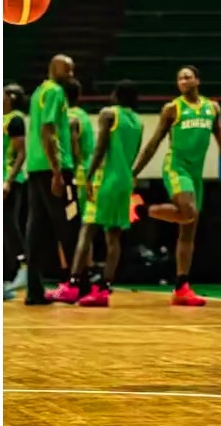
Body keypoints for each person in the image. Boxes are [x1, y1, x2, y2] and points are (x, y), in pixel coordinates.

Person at [132, 65, 221, 306]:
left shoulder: (211, 108)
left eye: (188, 77)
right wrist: (134, 172)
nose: (184, 81)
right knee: (188, 212)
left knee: (188, 231)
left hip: (196, 174)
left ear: (197, 80)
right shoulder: (172, 109)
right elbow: (154, 143)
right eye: (180, 78)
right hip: (176, 168)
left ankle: (181, 286)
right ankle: (146, 211)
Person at [53, 81, 143, 306]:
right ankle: (104, 289)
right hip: (125, 181)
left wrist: (90, 175)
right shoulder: (138, 122)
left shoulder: (108, 114)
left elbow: (100, 148)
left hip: (106, 179)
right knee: (113, 237)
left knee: (86, 230)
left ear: (116, 95)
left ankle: (72, 285)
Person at [26, 55, 80, 305]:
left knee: (37, 230)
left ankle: (34, 291)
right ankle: (76, 284)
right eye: (67, 69)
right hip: (53, 169)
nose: (71, 72)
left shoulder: (39, 92)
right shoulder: (56, 92)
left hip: (36, 167)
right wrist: (57, 172)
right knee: (70, 225)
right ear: (54, 68)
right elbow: (48, 130)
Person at [3, 83, 28, 300]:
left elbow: (21, 153)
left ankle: (23, 268)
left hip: (9, 181)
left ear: (10, 97)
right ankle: (6, 279)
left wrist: (8, 180)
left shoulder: (15, 120)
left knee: (10, 225)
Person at [65, 80, 95, 223]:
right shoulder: (84, 115)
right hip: (89, 170)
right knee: (85, 217)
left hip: (77, 174)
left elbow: (73, 147)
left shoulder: (69, 117)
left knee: (71, 217)